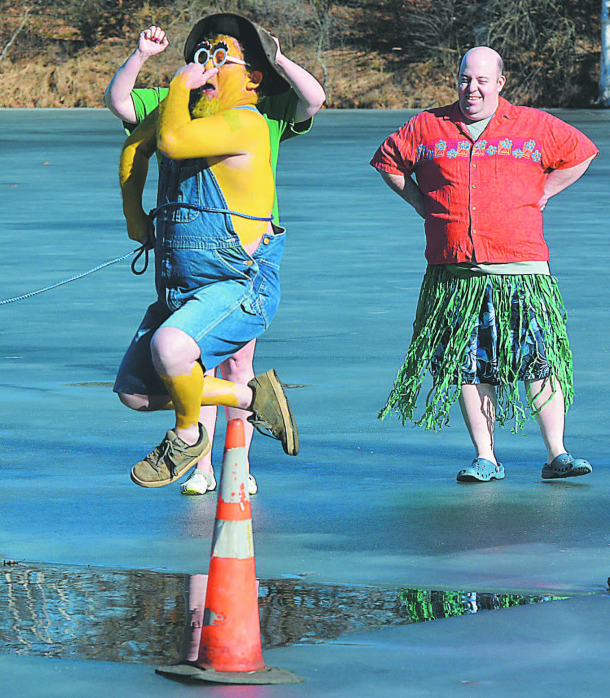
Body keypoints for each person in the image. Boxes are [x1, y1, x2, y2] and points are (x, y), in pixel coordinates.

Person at [105, 19, 324, 495]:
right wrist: (134, 218)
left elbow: (170, 142)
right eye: (200, 54)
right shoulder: (179, 112)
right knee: (137, 392)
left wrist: (180, 87)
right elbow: (133, 148)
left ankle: (190, 438)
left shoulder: (247, 121)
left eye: (220, 56)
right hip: (182, 285)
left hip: (240, 282)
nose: (205, 65)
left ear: (253, 78)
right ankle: (253, 398)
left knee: (173, 351)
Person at [371, 46, 598, 483]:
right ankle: (486, 457)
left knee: (539, 358)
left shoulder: (532, 124)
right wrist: (426, 206)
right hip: (456, 273)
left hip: (522, 270)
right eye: (463, 79)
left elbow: (582, 152)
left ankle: (558, 454)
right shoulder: (429, 125)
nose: (471, 89)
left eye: (480, 80)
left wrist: (545, 191)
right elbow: (389, 162)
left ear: (500, 82)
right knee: (468, 365)